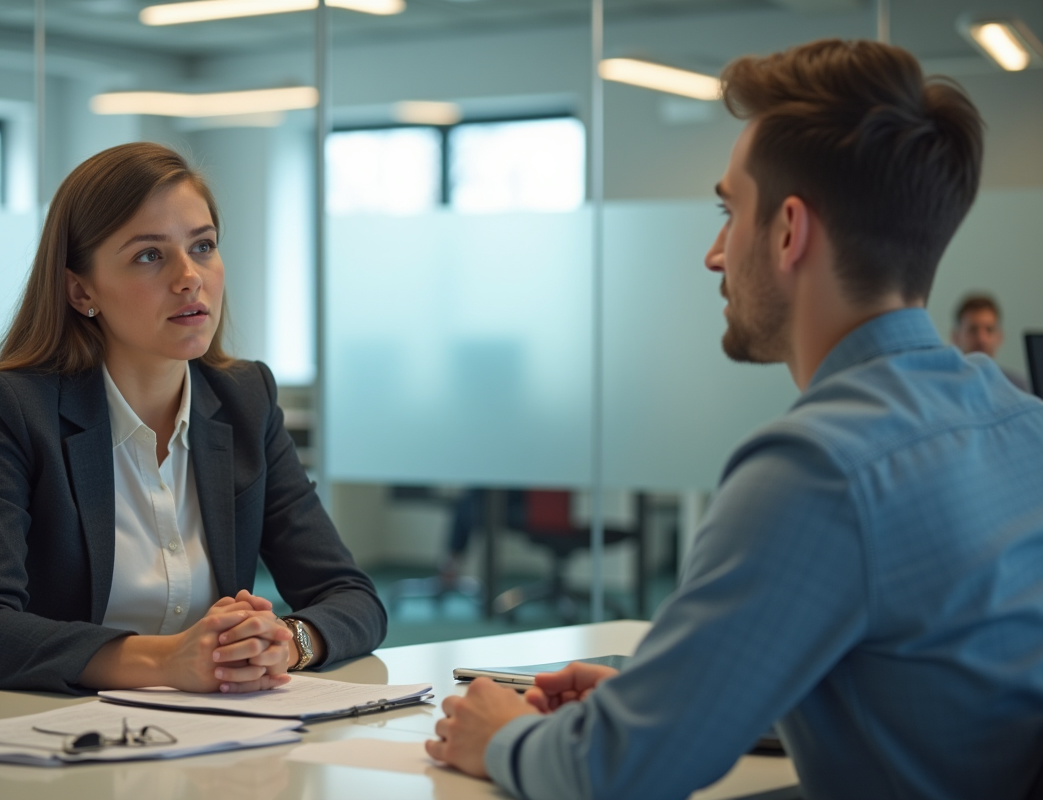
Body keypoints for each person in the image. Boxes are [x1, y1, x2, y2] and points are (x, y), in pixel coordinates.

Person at [426, 39, 1043, 799]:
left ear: (789, 231)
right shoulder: (1021, 421)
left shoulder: (817, 467)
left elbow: (618, 774)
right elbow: (941, 693)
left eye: (729, 211)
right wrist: (667, 698)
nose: (715, 254)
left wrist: (504, 736)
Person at [0, 142, 385, 695]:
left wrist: (286, 640)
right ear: (82, 290)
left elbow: (353, 596)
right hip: (63, 741)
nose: (189, 277)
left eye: (202, 246)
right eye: (150, 255)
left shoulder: (246, 400)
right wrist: (165, 661)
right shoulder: (16, 409)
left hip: (213, 737)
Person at [951, 292, 1030, 391]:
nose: (982, 339)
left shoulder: (1019, 387)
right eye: (973, 330)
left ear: (1000, 337)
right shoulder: (944, 385)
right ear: (955, 337)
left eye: (989, 330)